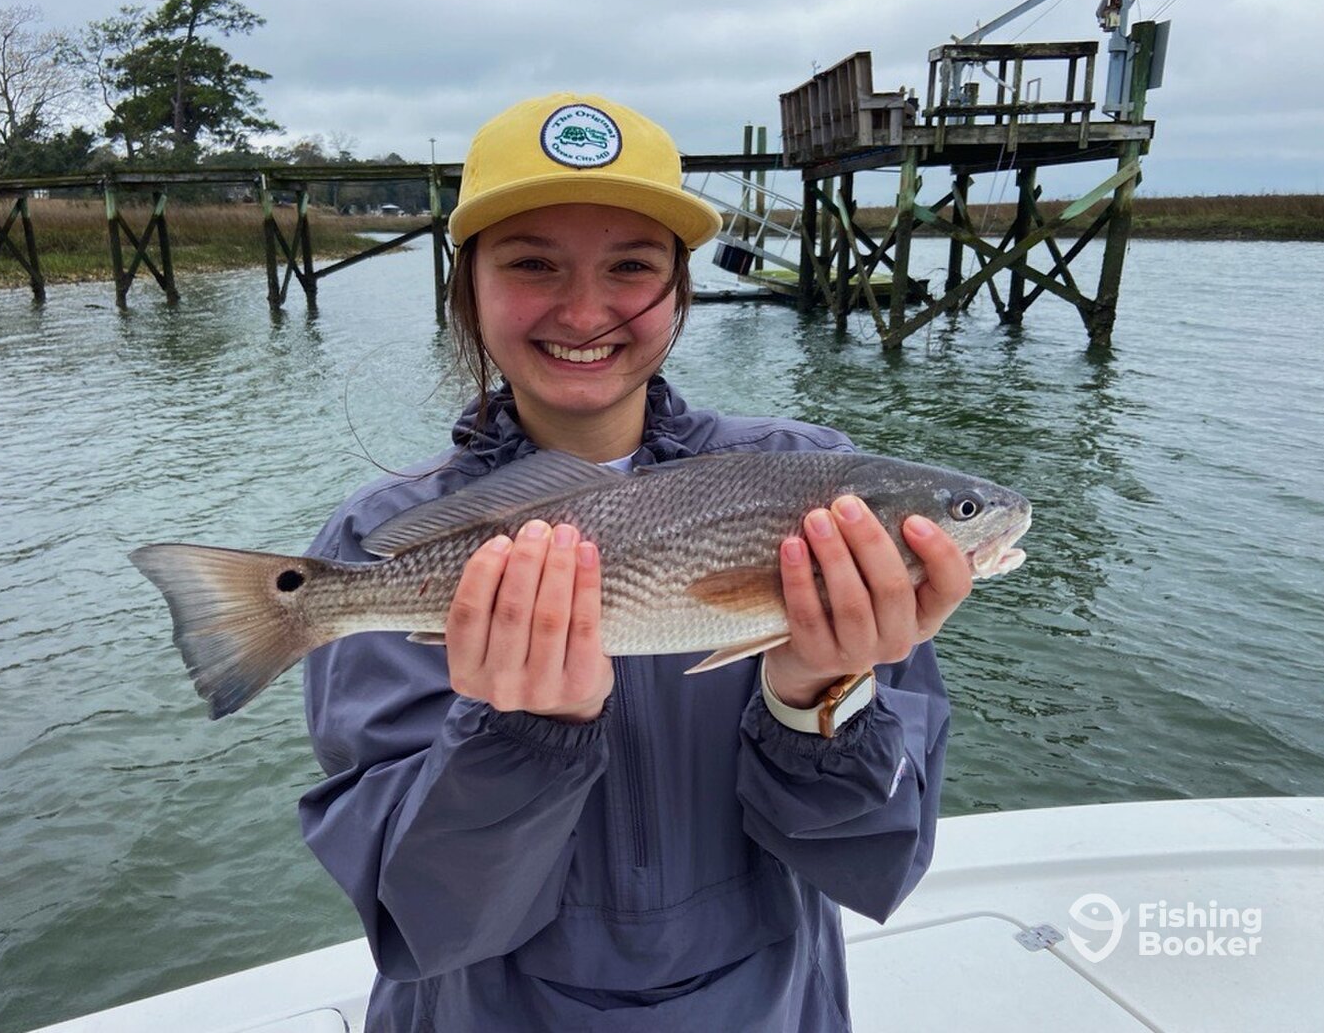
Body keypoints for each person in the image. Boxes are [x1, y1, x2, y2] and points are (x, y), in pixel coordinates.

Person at [299, 92, 968, 1031]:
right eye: (532, 263)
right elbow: (425, 923)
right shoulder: (380, 536)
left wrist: (819, 698)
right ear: (466, 288)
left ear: (680, 290)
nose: (584, 310)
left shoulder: (822, 494)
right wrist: (524, 735)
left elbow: (878, 866)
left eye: (632, 265)